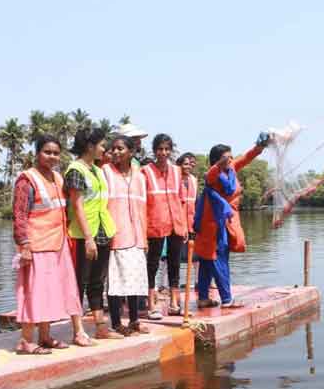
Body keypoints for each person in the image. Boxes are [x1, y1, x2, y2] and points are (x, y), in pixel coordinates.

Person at [12, 135, 88, 353]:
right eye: (47, 152)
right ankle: (26, 340)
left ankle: (45, 336)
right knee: (34, 291)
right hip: (36, 245)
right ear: (37, 153)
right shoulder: (27, 180)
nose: (52, 156)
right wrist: (24, 246)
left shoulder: (58, 178)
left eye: (56, 153)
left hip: (58, 243)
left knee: (50, 292)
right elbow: (19, 215)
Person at [193, 133, 270, 308]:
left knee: (206, 261)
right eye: (225, 158)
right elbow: (210, 173)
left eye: (230, 157)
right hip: (212, 222)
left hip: (224, 219)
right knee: (217, 258)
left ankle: (203, 298)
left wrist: (260, 147)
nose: (230, 160)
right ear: (217, 161)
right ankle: (227, 299)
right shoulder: (214, 174)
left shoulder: (231, 169)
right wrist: (219, 164)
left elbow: (247, 158)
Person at [64, 128, 123, 340]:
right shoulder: (75, 170)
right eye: (101, 145)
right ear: (90, 146)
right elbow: (77, 206)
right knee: (79, 282)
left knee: (98, 281)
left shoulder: (97, 170)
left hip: (102, 231)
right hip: (83, 234)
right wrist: (88, 238)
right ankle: (78, 331)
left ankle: (100, 327)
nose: (104, 149)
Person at [103, 135, 151, 336]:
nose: (115, 152)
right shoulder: (106, 172)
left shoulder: (139, 176)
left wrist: (145, 237)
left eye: (120, 149)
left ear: (131, 152)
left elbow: (143, 208)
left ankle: (134, 320)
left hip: (137, 236)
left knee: (135, 280)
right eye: (113, 148)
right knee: (115, 282)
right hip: (116, 235)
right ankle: (115, 322)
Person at [142, 134, 187, 319]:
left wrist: (184, 226)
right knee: (152, 265)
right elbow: (142, 202)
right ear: (154, 150)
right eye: (160, 149)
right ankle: (151, 304)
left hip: (175, 223)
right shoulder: (146, 171)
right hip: (155, 224)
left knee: (174, 264)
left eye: (167, 149)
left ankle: (174, 303)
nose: (163, 152)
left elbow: (181, 200)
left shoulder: (177, 171)